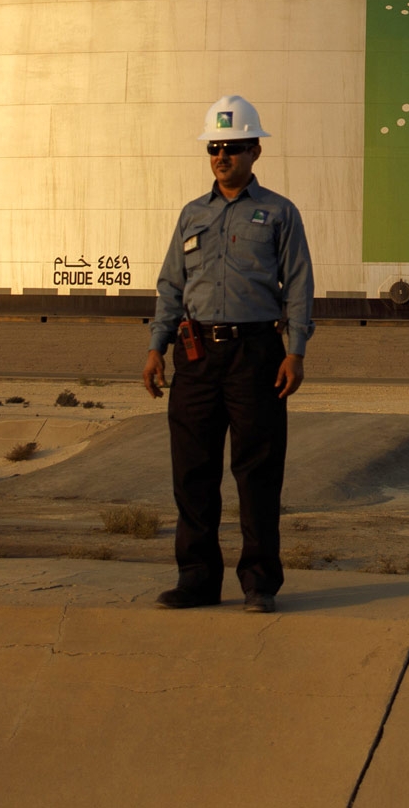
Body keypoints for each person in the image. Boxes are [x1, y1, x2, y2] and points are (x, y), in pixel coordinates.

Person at [144, 94, 314, 612]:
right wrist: (156, 348)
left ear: (255, 151)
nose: (222, 156)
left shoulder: (279, 213)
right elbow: (171, 286)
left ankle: (259, 583)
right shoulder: (192, 215)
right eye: (215, 148)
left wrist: (295, 352)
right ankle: (196, 580)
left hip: (256, 355)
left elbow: (299, 286)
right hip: (195, 355)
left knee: (257, 472)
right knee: (192, 472)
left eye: (234, 147)